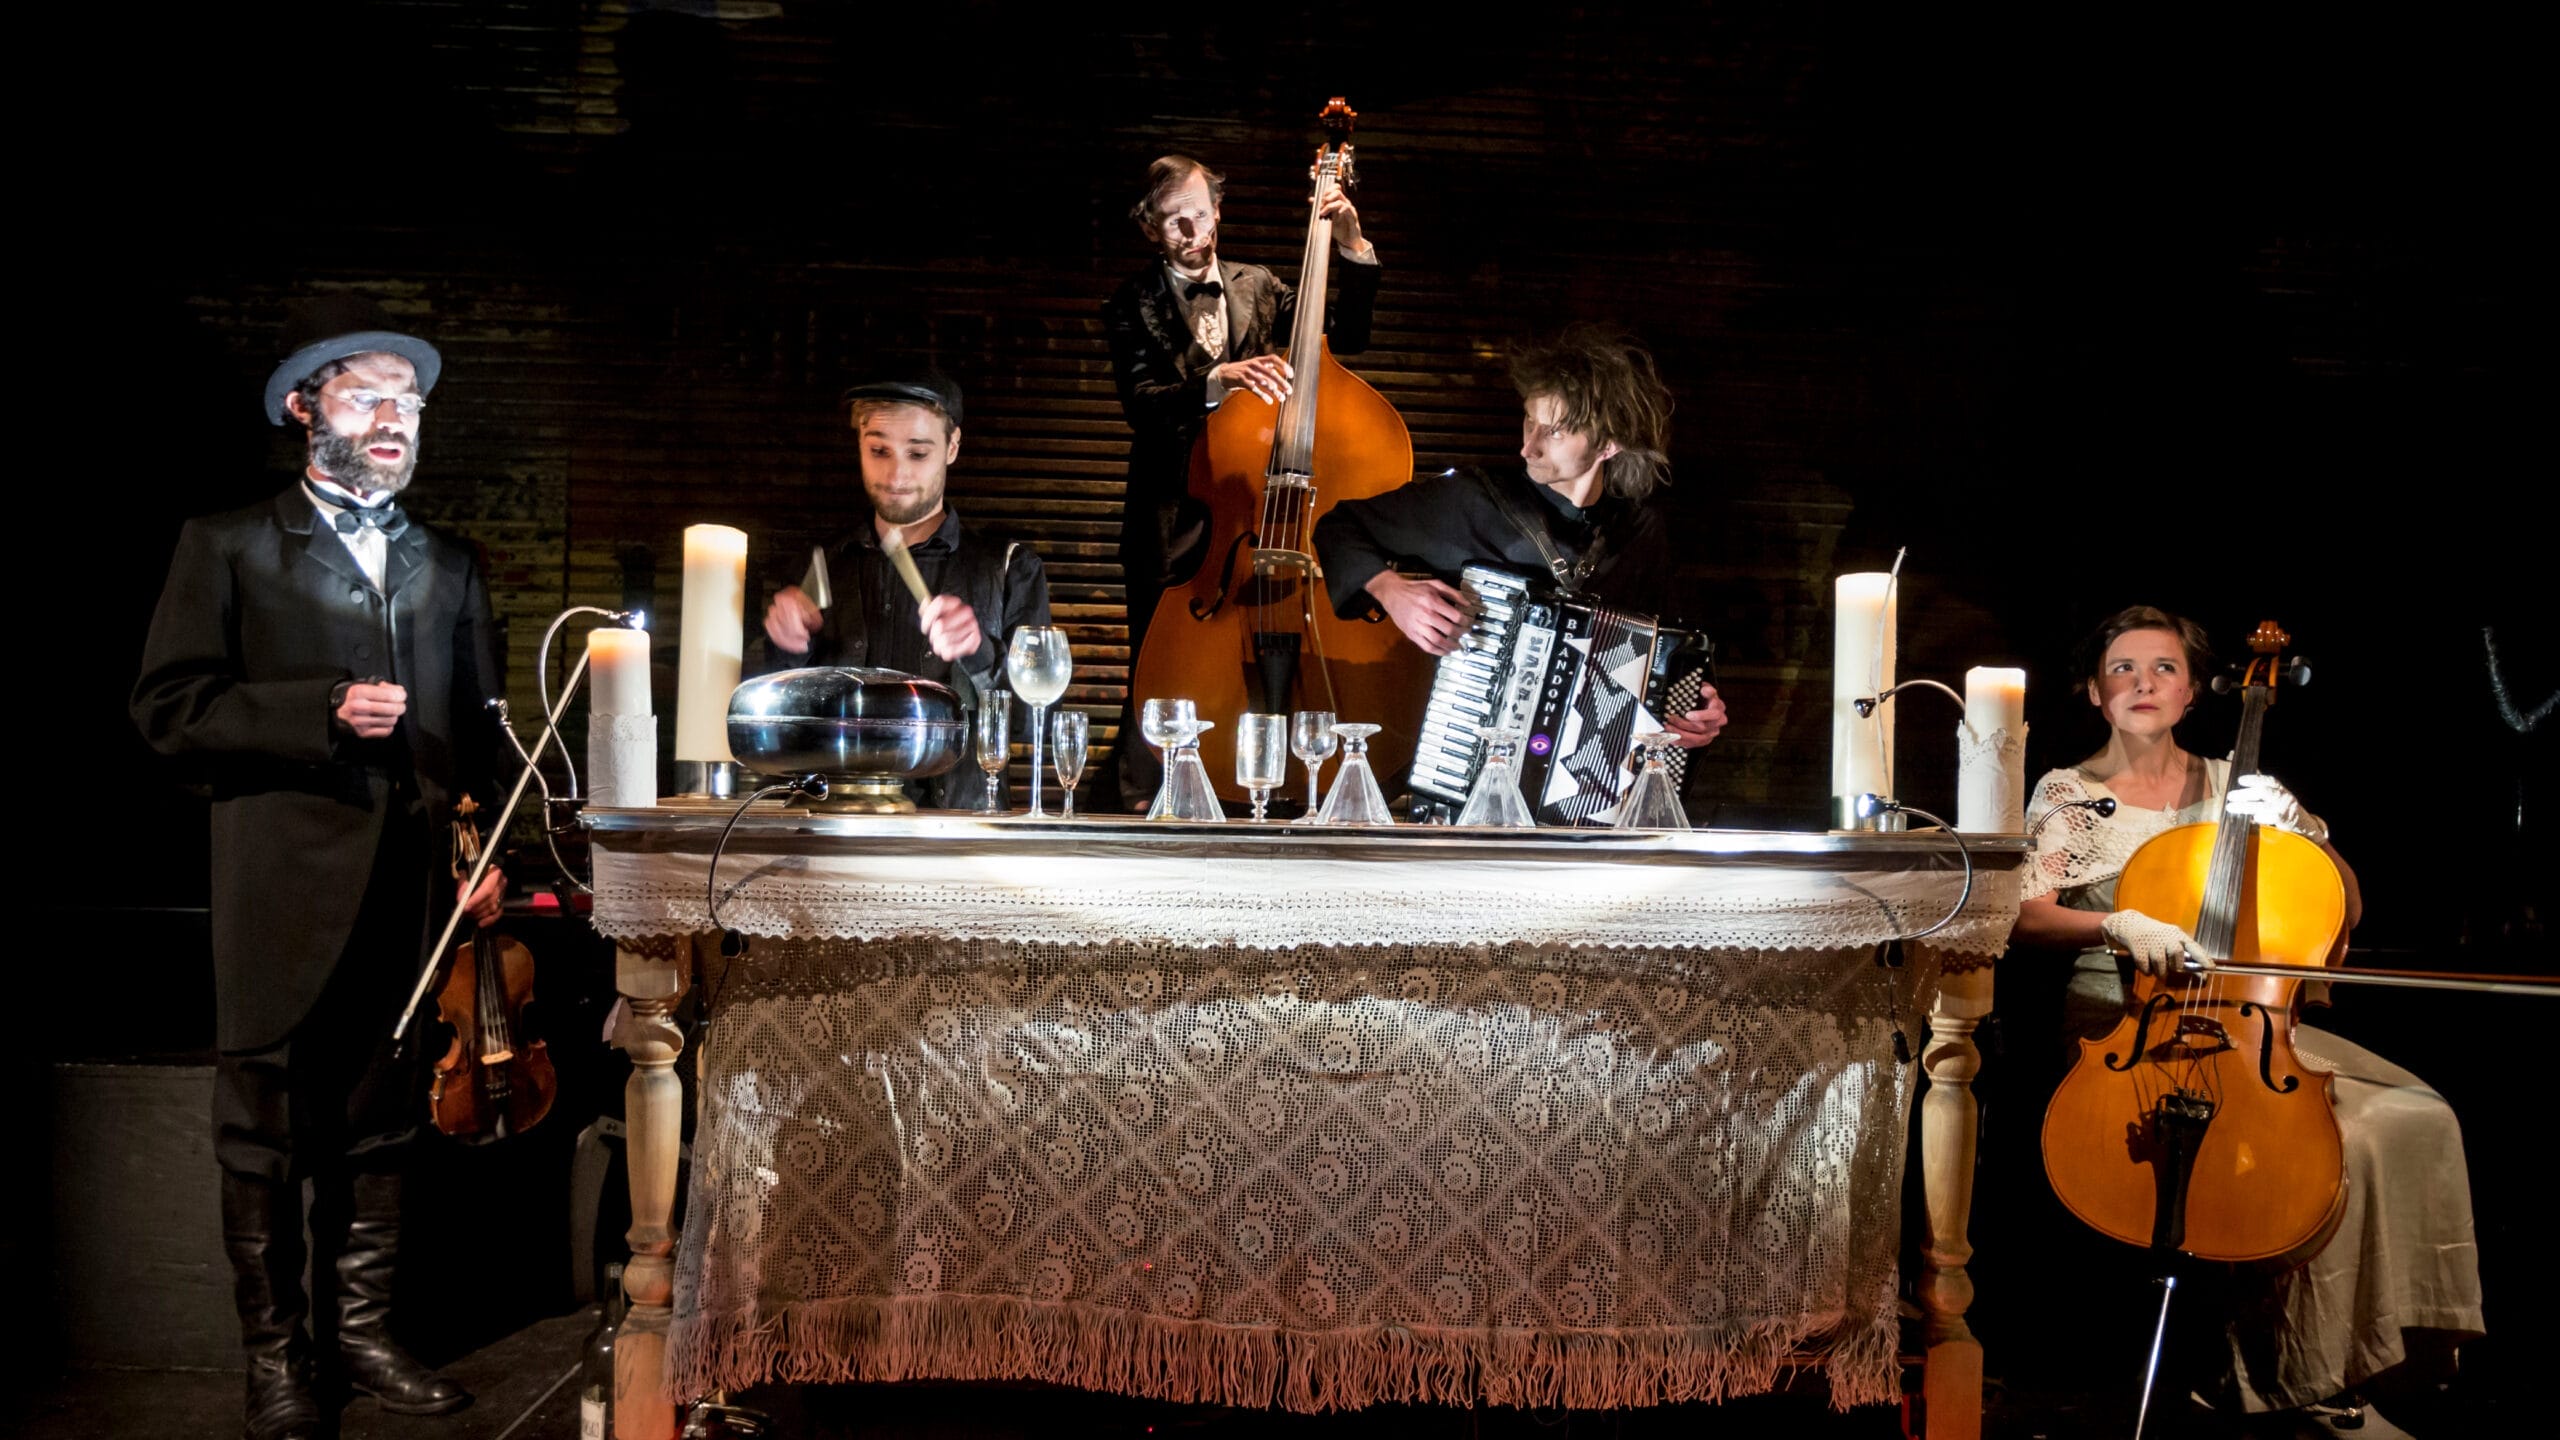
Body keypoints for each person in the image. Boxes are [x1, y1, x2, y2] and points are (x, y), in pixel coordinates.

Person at [132, 298, 506, 1439]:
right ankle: (278, 1361)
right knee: (264, 1134)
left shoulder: (447, 563)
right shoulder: (231, 543)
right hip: (279, 896)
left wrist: (489, 846)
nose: (396, 418)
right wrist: (319, 712)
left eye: (412, 403)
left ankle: (363, 1339)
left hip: (409, 898)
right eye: (369, 396)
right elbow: (168, 711)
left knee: (382, 1124)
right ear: (306, 411)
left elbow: (487, 733)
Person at [2014, 605, 2483, 1438]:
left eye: (2164, 669)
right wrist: (2117, 923)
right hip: (2123, 1016)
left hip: (2251, 1022)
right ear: (2094, 692)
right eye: (2123, 668)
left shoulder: (2238, 781)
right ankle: (2299, 1382)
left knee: (2412, 1122)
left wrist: (2301, 835)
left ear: (2194, 692)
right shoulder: (2070, 794)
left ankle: (2357, 1361)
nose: (2143, 683)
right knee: (2347, 1141)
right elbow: (2030, 917)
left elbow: (2341, 907)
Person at [1102, 151, 1383, 806]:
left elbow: (1349, 338)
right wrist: (1216, 380)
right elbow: (1142, 405)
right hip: (1171, 526)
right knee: (1163, 681)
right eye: (1174, 222)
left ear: (1218, 209)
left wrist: (1351, 245)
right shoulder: (1127, 304)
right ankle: (1140, 810)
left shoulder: (1261, 286)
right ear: (1149, 228)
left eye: (1200, 215)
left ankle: (1257, 797)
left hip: (1256, 518)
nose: (1192, 233)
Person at [1312, 325, 1727, 750]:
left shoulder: (1638, 532)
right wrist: (1389, 590)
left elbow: (1668, 652)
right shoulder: (1470, 501)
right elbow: (1340, 526)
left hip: (1586, 779)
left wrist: (1698, 711)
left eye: (1555, 431)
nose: (1528, 447)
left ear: (1609, 445)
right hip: (1468, 757)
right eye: (1529, 420)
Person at [759, 371, 1050, 811]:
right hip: (834, 830)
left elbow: (1037, 722)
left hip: (960, 839)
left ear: (952, 447)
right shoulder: (819, 566)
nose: (896, 474)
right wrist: (786, 655)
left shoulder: (1011, 568)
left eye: (917, 453)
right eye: (879, 450)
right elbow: (768, 730)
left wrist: (980, 651)